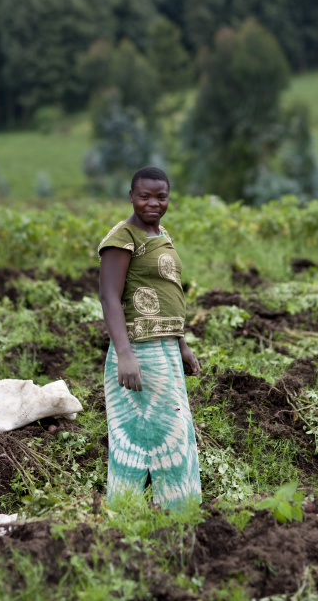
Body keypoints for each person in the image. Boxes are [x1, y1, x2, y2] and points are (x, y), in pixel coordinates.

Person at [98, 166, 202, 509]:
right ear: (131, 197)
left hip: (166, 350)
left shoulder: (162, 235)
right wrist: (125, 355)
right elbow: (110, 298)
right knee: (142, 436)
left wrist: (181, 344)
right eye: (144, 196)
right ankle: (129, 510)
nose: (153, 203)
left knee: (174, 432)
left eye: (161, 197)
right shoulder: (122, 238)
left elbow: (169, 292)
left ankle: (175, 511)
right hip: (138, 351)